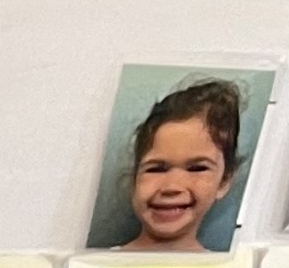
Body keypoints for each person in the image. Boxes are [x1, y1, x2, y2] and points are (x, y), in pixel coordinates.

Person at [104, 76, 244, 250]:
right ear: (134, 179)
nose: (172, 187)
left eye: (197, 168)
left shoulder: (230, 267)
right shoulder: (95, 264)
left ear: (224, 181)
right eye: (156, 169)